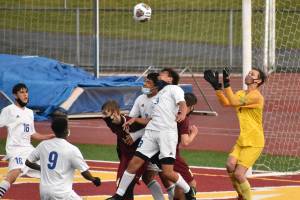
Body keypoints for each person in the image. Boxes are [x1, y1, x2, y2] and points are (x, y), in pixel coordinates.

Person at [107, 68, 196, 200]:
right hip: (150, 133)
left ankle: (188, 191)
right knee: (133, 164)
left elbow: (182, 103)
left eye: (162, 74)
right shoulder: (159, 94)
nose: (159, 75)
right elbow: (152, 119)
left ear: (170, 79)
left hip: (166, 134)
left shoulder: (174, 89)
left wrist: (182, 113)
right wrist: (136, 119)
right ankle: (118, 195)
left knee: (168, 173)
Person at [204, 67, 266, 200]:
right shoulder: (241, 93)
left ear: (258, 81)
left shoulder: (256, 96)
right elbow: (226, 103)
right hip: (243, 139)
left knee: (239, 174)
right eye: (249, 73)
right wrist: (217, 88)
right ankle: (241, 195)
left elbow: (233, 101)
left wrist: (226, 83)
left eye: (252, 74)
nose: (248, 75)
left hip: (255, 142)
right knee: (229, 165)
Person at [25, 116, 101, 199]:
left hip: (44, 191)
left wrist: (43, 168)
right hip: (62, 193)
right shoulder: (72, 149)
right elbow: (84, 172)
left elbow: (28, 162)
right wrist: (94, 179)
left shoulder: (43, 145)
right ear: (66, 130)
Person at [0, 83, 55, 198]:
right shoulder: (9, 110)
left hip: (29, 149)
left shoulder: (30, 113)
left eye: (26, 92)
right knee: (14, 174)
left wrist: (50, 136)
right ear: (15, 95)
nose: (25, 95)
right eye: (21, 92)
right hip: (15, 150)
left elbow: (33, 134)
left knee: (49, 171)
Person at [101, 100, 147, 200]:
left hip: (138, 156)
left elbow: (152, 128)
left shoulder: (131, 122)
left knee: (128, 186)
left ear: (115, 112)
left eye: (106, 113)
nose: (104, 117)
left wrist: (135, 135)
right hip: (125, 157)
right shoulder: (110, 122)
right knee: (120, 185)